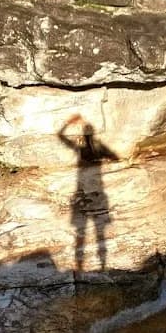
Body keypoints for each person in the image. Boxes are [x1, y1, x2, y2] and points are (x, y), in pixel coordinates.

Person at [57, 114, 118, 271]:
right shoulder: (97, 148)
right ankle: (102, 265)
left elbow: (60, 136)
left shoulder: (82, 148)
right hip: (97, 192)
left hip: (85, 191)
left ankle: (81, 266)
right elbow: (115, 157)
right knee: (99, 233)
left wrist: (68, 123)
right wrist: (106, 159)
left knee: (83, 233)